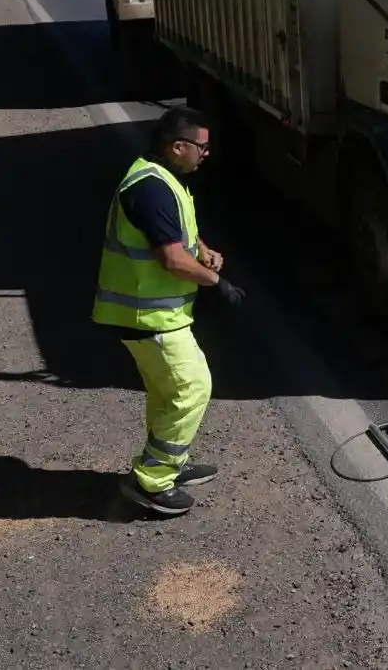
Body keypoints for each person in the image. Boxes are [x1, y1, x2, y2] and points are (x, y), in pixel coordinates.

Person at [92, 106, 245, 516]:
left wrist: (203, 249)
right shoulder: (151, 188)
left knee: (167, 393)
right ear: (178, 147)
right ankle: (153, 481)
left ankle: (169, 464)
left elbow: (175, 237)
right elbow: (172, 259)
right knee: (191, 387)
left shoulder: (160, 177)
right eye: (202, 147)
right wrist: (217, 282)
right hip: (147, 315)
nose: (206, 154)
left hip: (154, 313)